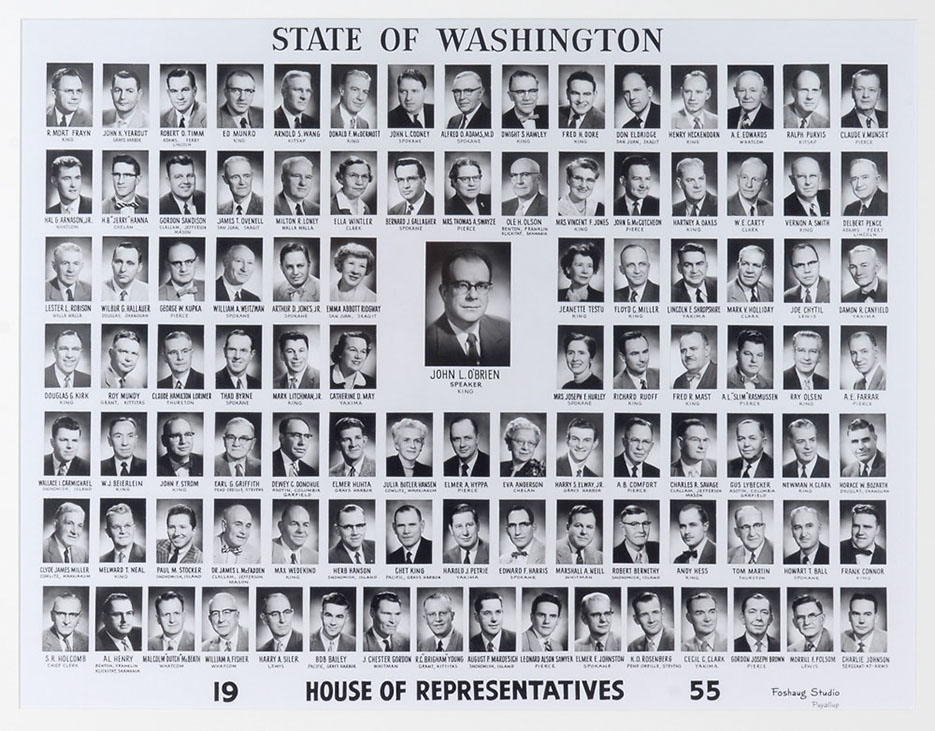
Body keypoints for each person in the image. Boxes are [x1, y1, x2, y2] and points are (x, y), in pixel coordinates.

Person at [425, 247, 510, 366]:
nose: (473, 295)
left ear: (489, 292)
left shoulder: (508, 332)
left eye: (481, 286)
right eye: (462, 285)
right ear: (444, 293)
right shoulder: (426, 344)